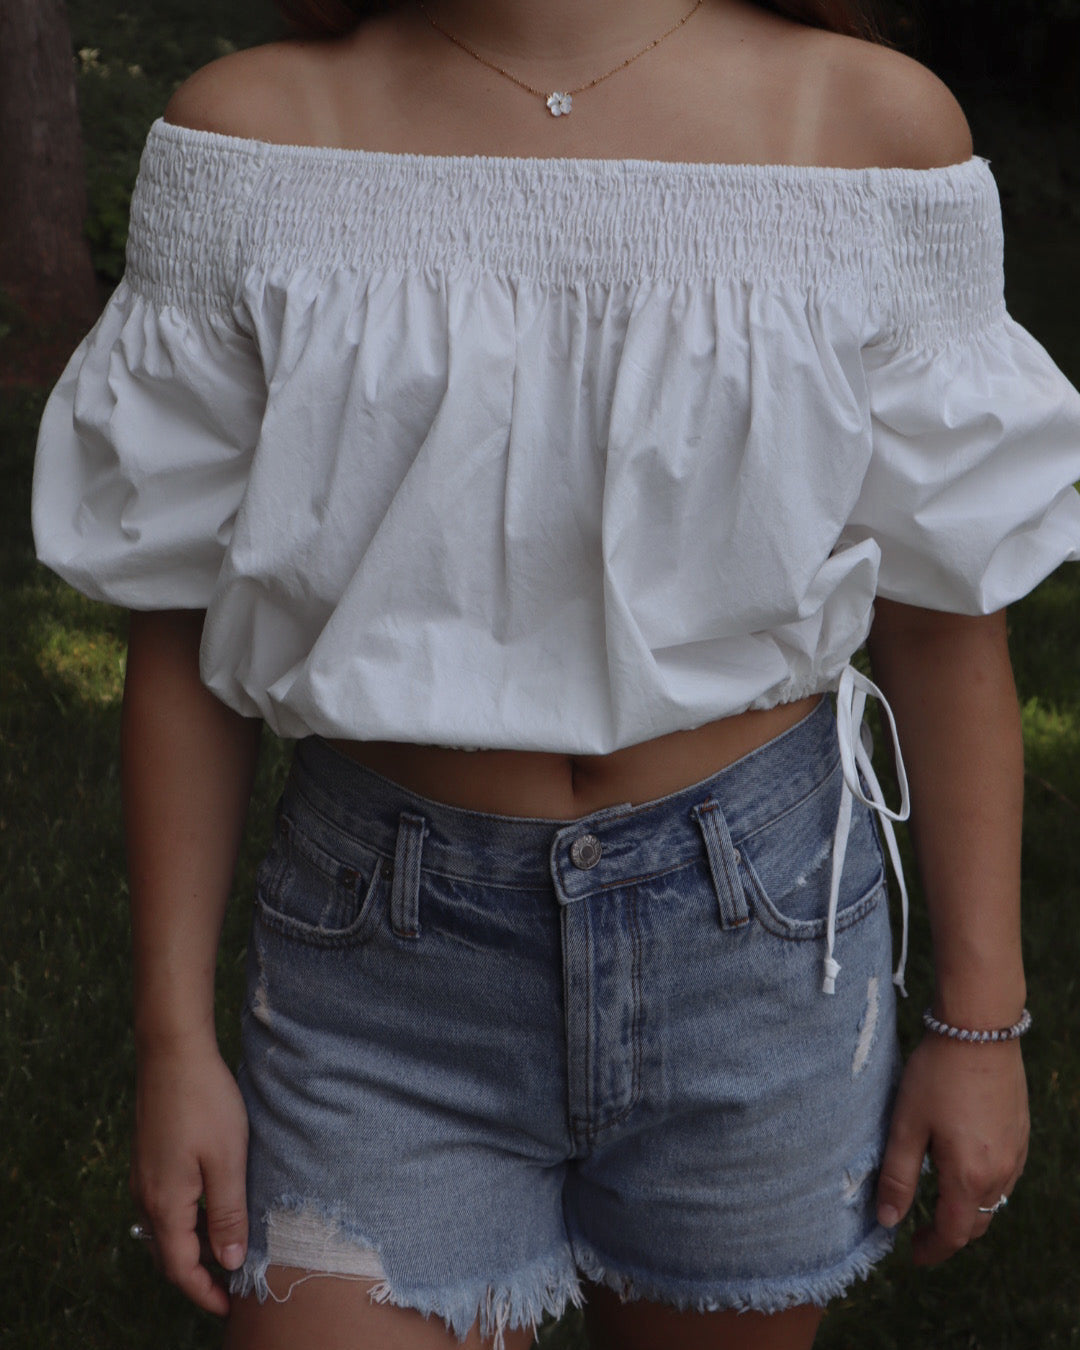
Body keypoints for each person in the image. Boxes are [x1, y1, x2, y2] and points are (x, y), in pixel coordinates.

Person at [31, 0, 1080, 1347]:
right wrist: (173, 1037)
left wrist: (980, 1024)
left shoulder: (867, 126)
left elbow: (945, 613)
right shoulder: (255, 135)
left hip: (754, 947)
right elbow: (176, 619)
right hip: (385, 968)